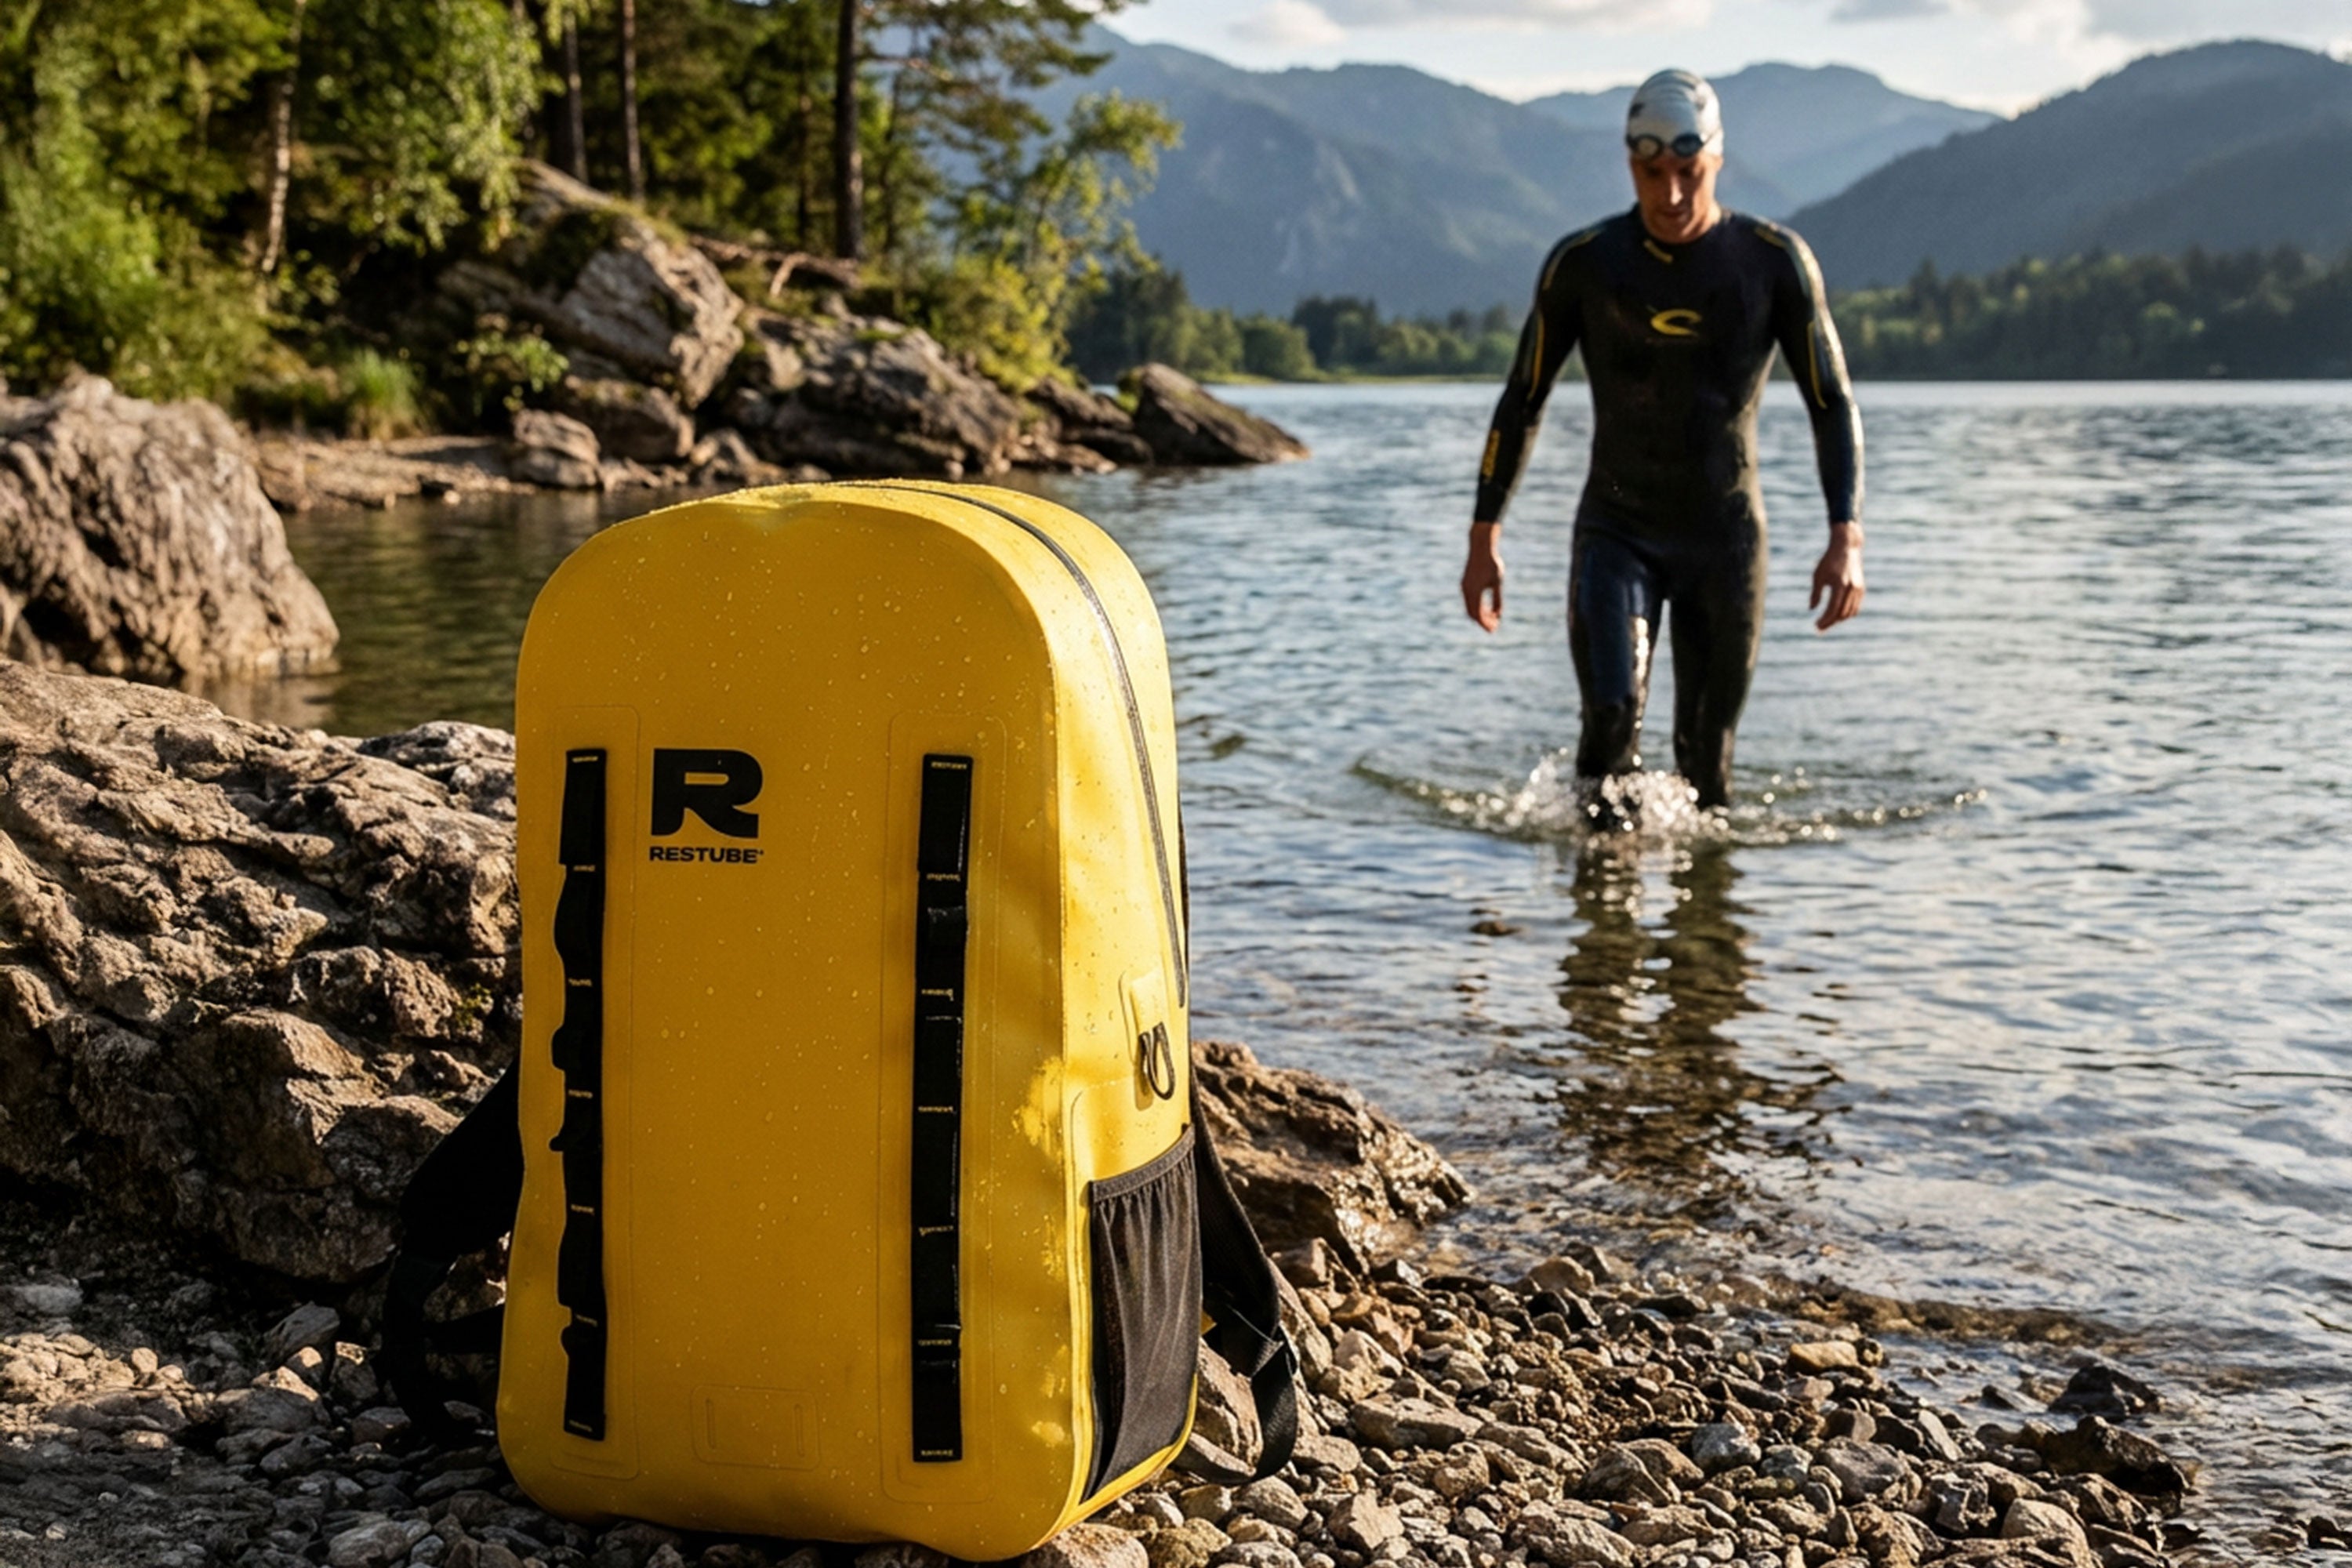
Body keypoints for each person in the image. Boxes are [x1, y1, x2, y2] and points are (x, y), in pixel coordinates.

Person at [1459, 67, 1864, 811]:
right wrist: (1485, 532)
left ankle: (1704, 923)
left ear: (1716, 161)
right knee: (1611, 723)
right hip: (1619, 532)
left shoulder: (1772, 263)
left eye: (1689, 172)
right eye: (1653, 173)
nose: (1671, 194)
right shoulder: (1585, 264)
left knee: (1705, 768)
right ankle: (1599, 912)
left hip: (1726, 537)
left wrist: (1847, 533)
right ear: (1630, 165)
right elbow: (1523, 398)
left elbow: (1831, 400)